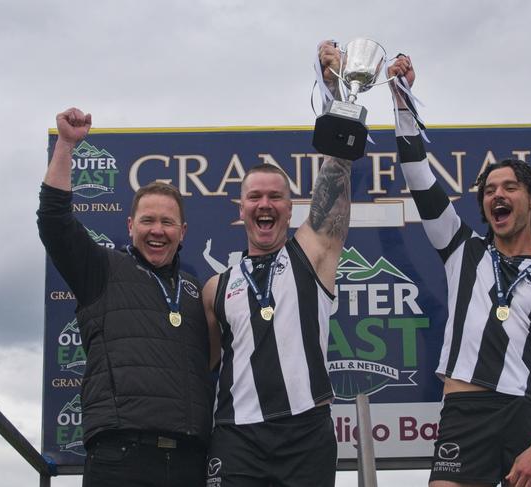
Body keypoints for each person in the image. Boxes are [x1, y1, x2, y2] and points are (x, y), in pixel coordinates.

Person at [387, 57, 531, 487]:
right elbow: (418, 176)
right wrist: (401, 100)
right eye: (489, 190)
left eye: (509, 187)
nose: (497, 194)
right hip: (466, 415)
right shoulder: (462, 249)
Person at [38, 108, 213, 487]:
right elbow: (54, 223)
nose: (157, 230)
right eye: (148, 220)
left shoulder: (197, 291)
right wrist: (67, 144)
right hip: (120, 456)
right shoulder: (100, 268)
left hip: (190, 461)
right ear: (130, 226)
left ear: (182, 232)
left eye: (167, 222)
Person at [203, 41, 350, 487]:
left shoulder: (312, 254)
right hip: (236, 437)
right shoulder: (215, 287)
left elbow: (336, 174)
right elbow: (201, 367)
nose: (264, 204)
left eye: (275, 197)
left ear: (291, 209)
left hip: (306, 433)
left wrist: (334, 93)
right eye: (255, 197)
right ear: (241, 207)